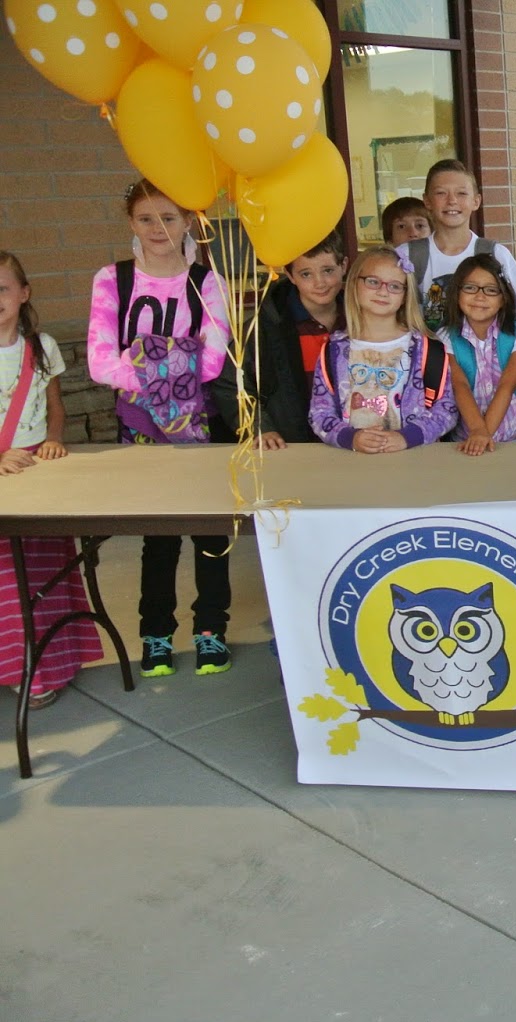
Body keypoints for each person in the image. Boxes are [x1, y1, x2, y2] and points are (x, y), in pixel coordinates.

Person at [87, 178, 233, 677]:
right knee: (159, 534)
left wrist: (146, 362)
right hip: (141, 429)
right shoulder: (113, 280)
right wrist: (168, 375)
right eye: (146, 218)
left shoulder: (206, 282)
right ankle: (156, 633)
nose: (157, 228)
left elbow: (214, 358)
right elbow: (100, 361)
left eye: (168, 217)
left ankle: (212, 628)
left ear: (187, 222)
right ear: (131, 222)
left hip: (202, 425)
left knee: (210, 531)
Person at [0, 251, 102, 708]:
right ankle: (24, 670)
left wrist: (55, 439)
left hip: (41, 473)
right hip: (5, 475)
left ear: (24, 294)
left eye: (3, 288)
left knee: (48, 575)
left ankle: (58, 661)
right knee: (10, 580)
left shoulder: (41, 346)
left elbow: (54, 405)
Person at [309, 246, 458, 452]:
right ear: (354, 284)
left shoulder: (428, 350)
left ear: (406, 295)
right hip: (352, 465)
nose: (383, 291)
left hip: (415, 463)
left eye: (395, 286)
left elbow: (447, 409)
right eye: (373, 281)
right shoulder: (333, 351)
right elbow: (320, 412)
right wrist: (350, 438)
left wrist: (406, 438)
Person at [210, 230, 346, 448]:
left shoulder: (362, 318)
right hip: (291, 447)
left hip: (354, 444)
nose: (320, 283)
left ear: (344, 266)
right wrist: (259, 427)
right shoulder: (265, 326)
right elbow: (231, 384)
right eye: (306, 274)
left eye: (328, 270)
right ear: (290, 276)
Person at [404, 159, 516, 352]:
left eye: (461, 193)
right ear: (427, 201)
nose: (452, 201)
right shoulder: (408, 255)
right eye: (441, 193)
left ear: (476, 201)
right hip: (426, 368)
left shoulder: (496, 255)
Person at [440, 254, 516, 455]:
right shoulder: (445, 337)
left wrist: (484, 435)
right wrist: (477, 432)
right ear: (457, 293)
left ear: (503, 298)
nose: (480, 297)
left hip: (513, 439)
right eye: (470, 288)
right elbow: (460, 386)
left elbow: (507, 385)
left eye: (491, 290)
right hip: (465, 441)